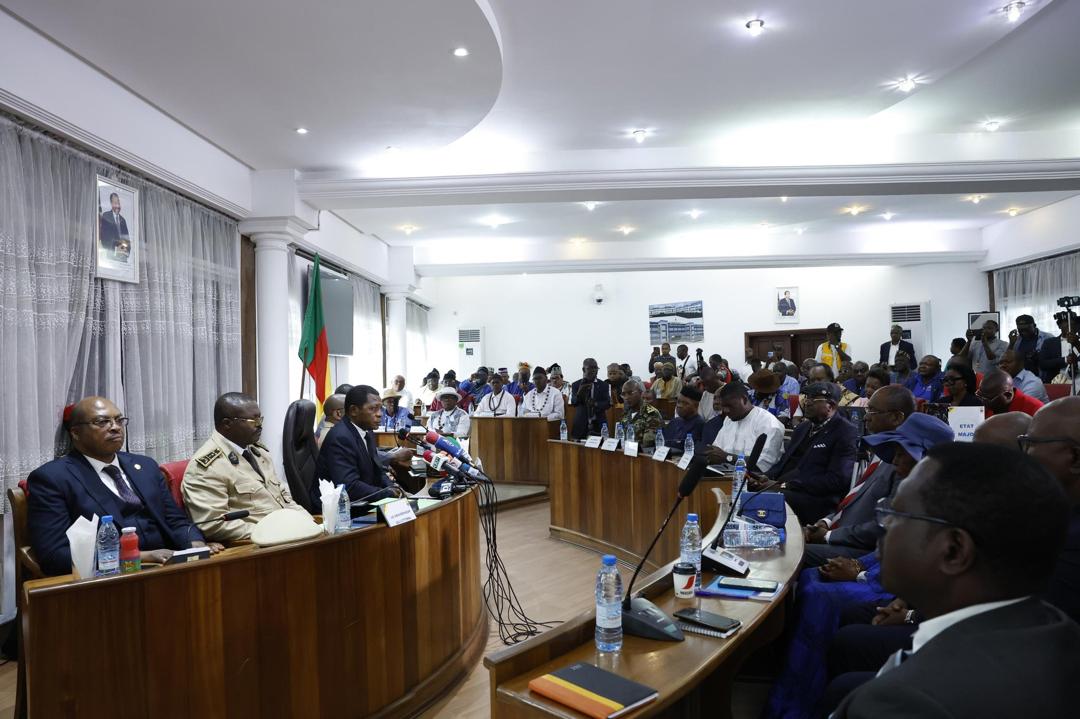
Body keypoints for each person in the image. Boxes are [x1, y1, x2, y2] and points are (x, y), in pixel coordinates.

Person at [830, 444, 1076, 719]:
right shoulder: (1056, 630)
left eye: (897, 515)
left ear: (953, 550)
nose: (884, 528)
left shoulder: (906, 703)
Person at [762, 410, 951, 719]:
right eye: (897, 452)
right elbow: (886, 547)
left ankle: (804, 695)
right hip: (875, 565)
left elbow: (917, 564)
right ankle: (790, 678)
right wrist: (856, 564)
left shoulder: (939, 499)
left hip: (891, 585)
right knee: (812, 580)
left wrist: (861, 574)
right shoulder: (905, 481)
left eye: (905, 453)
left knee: (824, 596)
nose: (897, 460)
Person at [28, 396, 219, 575]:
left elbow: (175, 520)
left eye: (119, 420)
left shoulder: (145, 466)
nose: (115, 428)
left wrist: (194, 543)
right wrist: (139, 557)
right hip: (110, 579)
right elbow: (54, 555)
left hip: (168, 567)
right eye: (102, 422)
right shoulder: (52, 479)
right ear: (75, 433)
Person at [802, 392, 934, 567]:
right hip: (842, 533)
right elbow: (854, 502)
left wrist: (828, 536)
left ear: (895, 417)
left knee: (790, 551)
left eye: (872, 411)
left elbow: (883, 525)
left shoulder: (905, 464)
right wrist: (827, 522)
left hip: (862, 551)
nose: (865, 418)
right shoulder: (881, 453)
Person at [183, 393, 306, 543]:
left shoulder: (259, 452)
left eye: (260, 419)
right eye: (252, 420)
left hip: (285, 537)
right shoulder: (206, 467)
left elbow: (285, 499)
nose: (259, 425)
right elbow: (214, 524)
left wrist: (307, 522)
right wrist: (274, 532)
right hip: (255, 547)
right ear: (227, 424)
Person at [766, 382, 858, 524]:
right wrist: (766, 479)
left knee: (765, 498)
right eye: (807, 398)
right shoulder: (803, 428)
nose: (807, 403)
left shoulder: (845, 431)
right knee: (747, 488)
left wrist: (787, 485)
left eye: (814, 400)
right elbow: (785, 462)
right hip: (786, 487)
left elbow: (837, 480)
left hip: (817, 499)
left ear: (831, 405)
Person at [315, 385, 410, 505]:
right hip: (338, 508)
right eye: (373, 409)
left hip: (361, 498)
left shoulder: (367, 431)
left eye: (381, 408)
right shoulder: (340, 437)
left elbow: (378, 469)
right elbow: (349, 487)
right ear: (354, 410)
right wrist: (387, 493)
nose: (379, 414)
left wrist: (392, 487)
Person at [705, 382, 785, 472]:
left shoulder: (768, 423)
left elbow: (761, 465)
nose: (725, 411)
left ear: (744, 399)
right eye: (723, 406)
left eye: (729, 406)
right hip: (725, 477)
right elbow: (717, 451)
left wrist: (727, 457)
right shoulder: (729, 420)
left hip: (754, 481)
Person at [1008, 314, 1063, 382]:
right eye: (1020, 330)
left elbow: (1056, 359)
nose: (1023, 332)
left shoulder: (1048, 337)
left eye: (1026, 329)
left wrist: (1039, 356)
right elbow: (1008, 358)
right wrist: (1011, 343)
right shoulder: (1016, 340)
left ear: (1034, 325)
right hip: (1022, 379)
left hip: (1043, 377)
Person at [977, 368, 1044, 417]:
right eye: (979, 396)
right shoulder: (990, 406)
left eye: (987, 399)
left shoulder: (1035, 410)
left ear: (1007, 395)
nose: (982, 402)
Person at [570, 358, 610, 438]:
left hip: (598, 424)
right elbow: (574, 402)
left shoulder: (604, 385)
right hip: (580, 425)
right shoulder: (576, 385)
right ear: (583, 369)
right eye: (590, 368)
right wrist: (579, 392)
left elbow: (607, 403)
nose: (593, 370)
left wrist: (595, 404)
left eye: (595, 368)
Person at [619, 378, 664, 447]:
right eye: (623, 394)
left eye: (630, 393)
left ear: (640, 393)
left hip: (643, 454)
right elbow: (619, 436)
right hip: (625, 452)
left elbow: (648, 442)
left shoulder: (651, 413)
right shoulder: (625, 413)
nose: (626, 397)